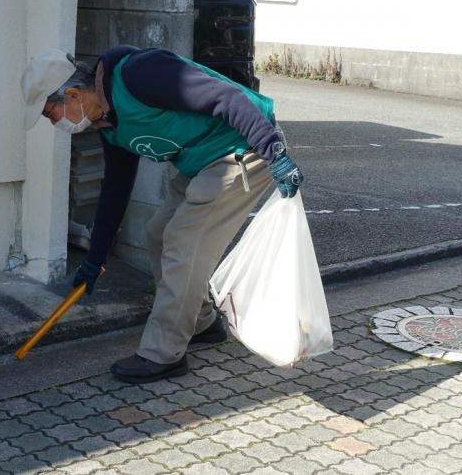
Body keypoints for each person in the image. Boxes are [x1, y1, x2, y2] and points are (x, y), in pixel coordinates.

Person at [21, 46, 302, 383]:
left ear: (73, 94)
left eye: (51, 113)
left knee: (182, 243)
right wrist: (95, 259)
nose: (55, 123)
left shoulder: (140, 74)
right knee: (158, 234)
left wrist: (275, 153)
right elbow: (115, 188)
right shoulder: (109, 123)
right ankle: (202, 322)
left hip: (244, 149)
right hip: (201, 160)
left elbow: (226, 97)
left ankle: (163, 353)